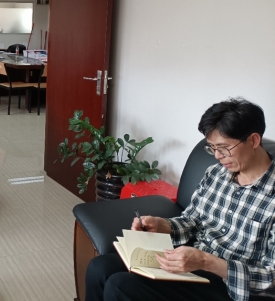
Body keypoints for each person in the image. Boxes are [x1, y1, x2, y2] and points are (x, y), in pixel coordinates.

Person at [87, 98, 275, 301]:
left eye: (223, 148)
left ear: (253, 140)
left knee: (121, 286)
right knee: (100, 268)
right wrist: (163, 225)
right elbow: (193, 220)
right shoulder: (216, 174)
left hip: (230, 284)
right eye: (212, 148)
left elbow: (271, 278)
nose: (217, 156)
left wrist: (206, 261)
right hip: (193, 261)